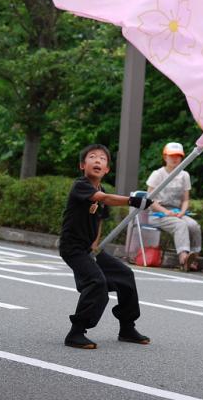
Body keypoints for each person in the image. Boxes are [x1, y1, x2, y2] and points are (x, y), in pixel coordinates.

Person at [59, 143, 153, 350]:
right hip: (73, 247)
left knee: (125, 275)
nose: (97, 161)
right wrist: (132, 200)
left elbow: (99, 219)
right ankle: (76, 333)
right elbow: (102, 199)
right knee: (96, 282)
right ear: (82, 165)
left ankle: (127, 327)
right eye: (92, 157)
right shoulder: (81, 185)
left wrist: (95, 245)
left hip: (90, 248)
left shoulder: (103, 189)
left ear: (107, 169)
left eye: (102, 159)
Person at [146, 142, 202, 271]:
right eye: (171, 156)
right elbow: (150, 200)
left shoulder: (184, 175)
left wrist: (182, 212)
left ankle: (194, 258)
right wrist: (166, 211)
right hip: (157, 214)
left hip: (177, 212)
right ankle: (183, 258)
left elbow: (186, 199)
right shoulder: (157, 174)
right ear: (165, 157)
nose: (175, 159)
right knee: (180, 225)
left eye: (178, 156)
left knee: (194, 225)